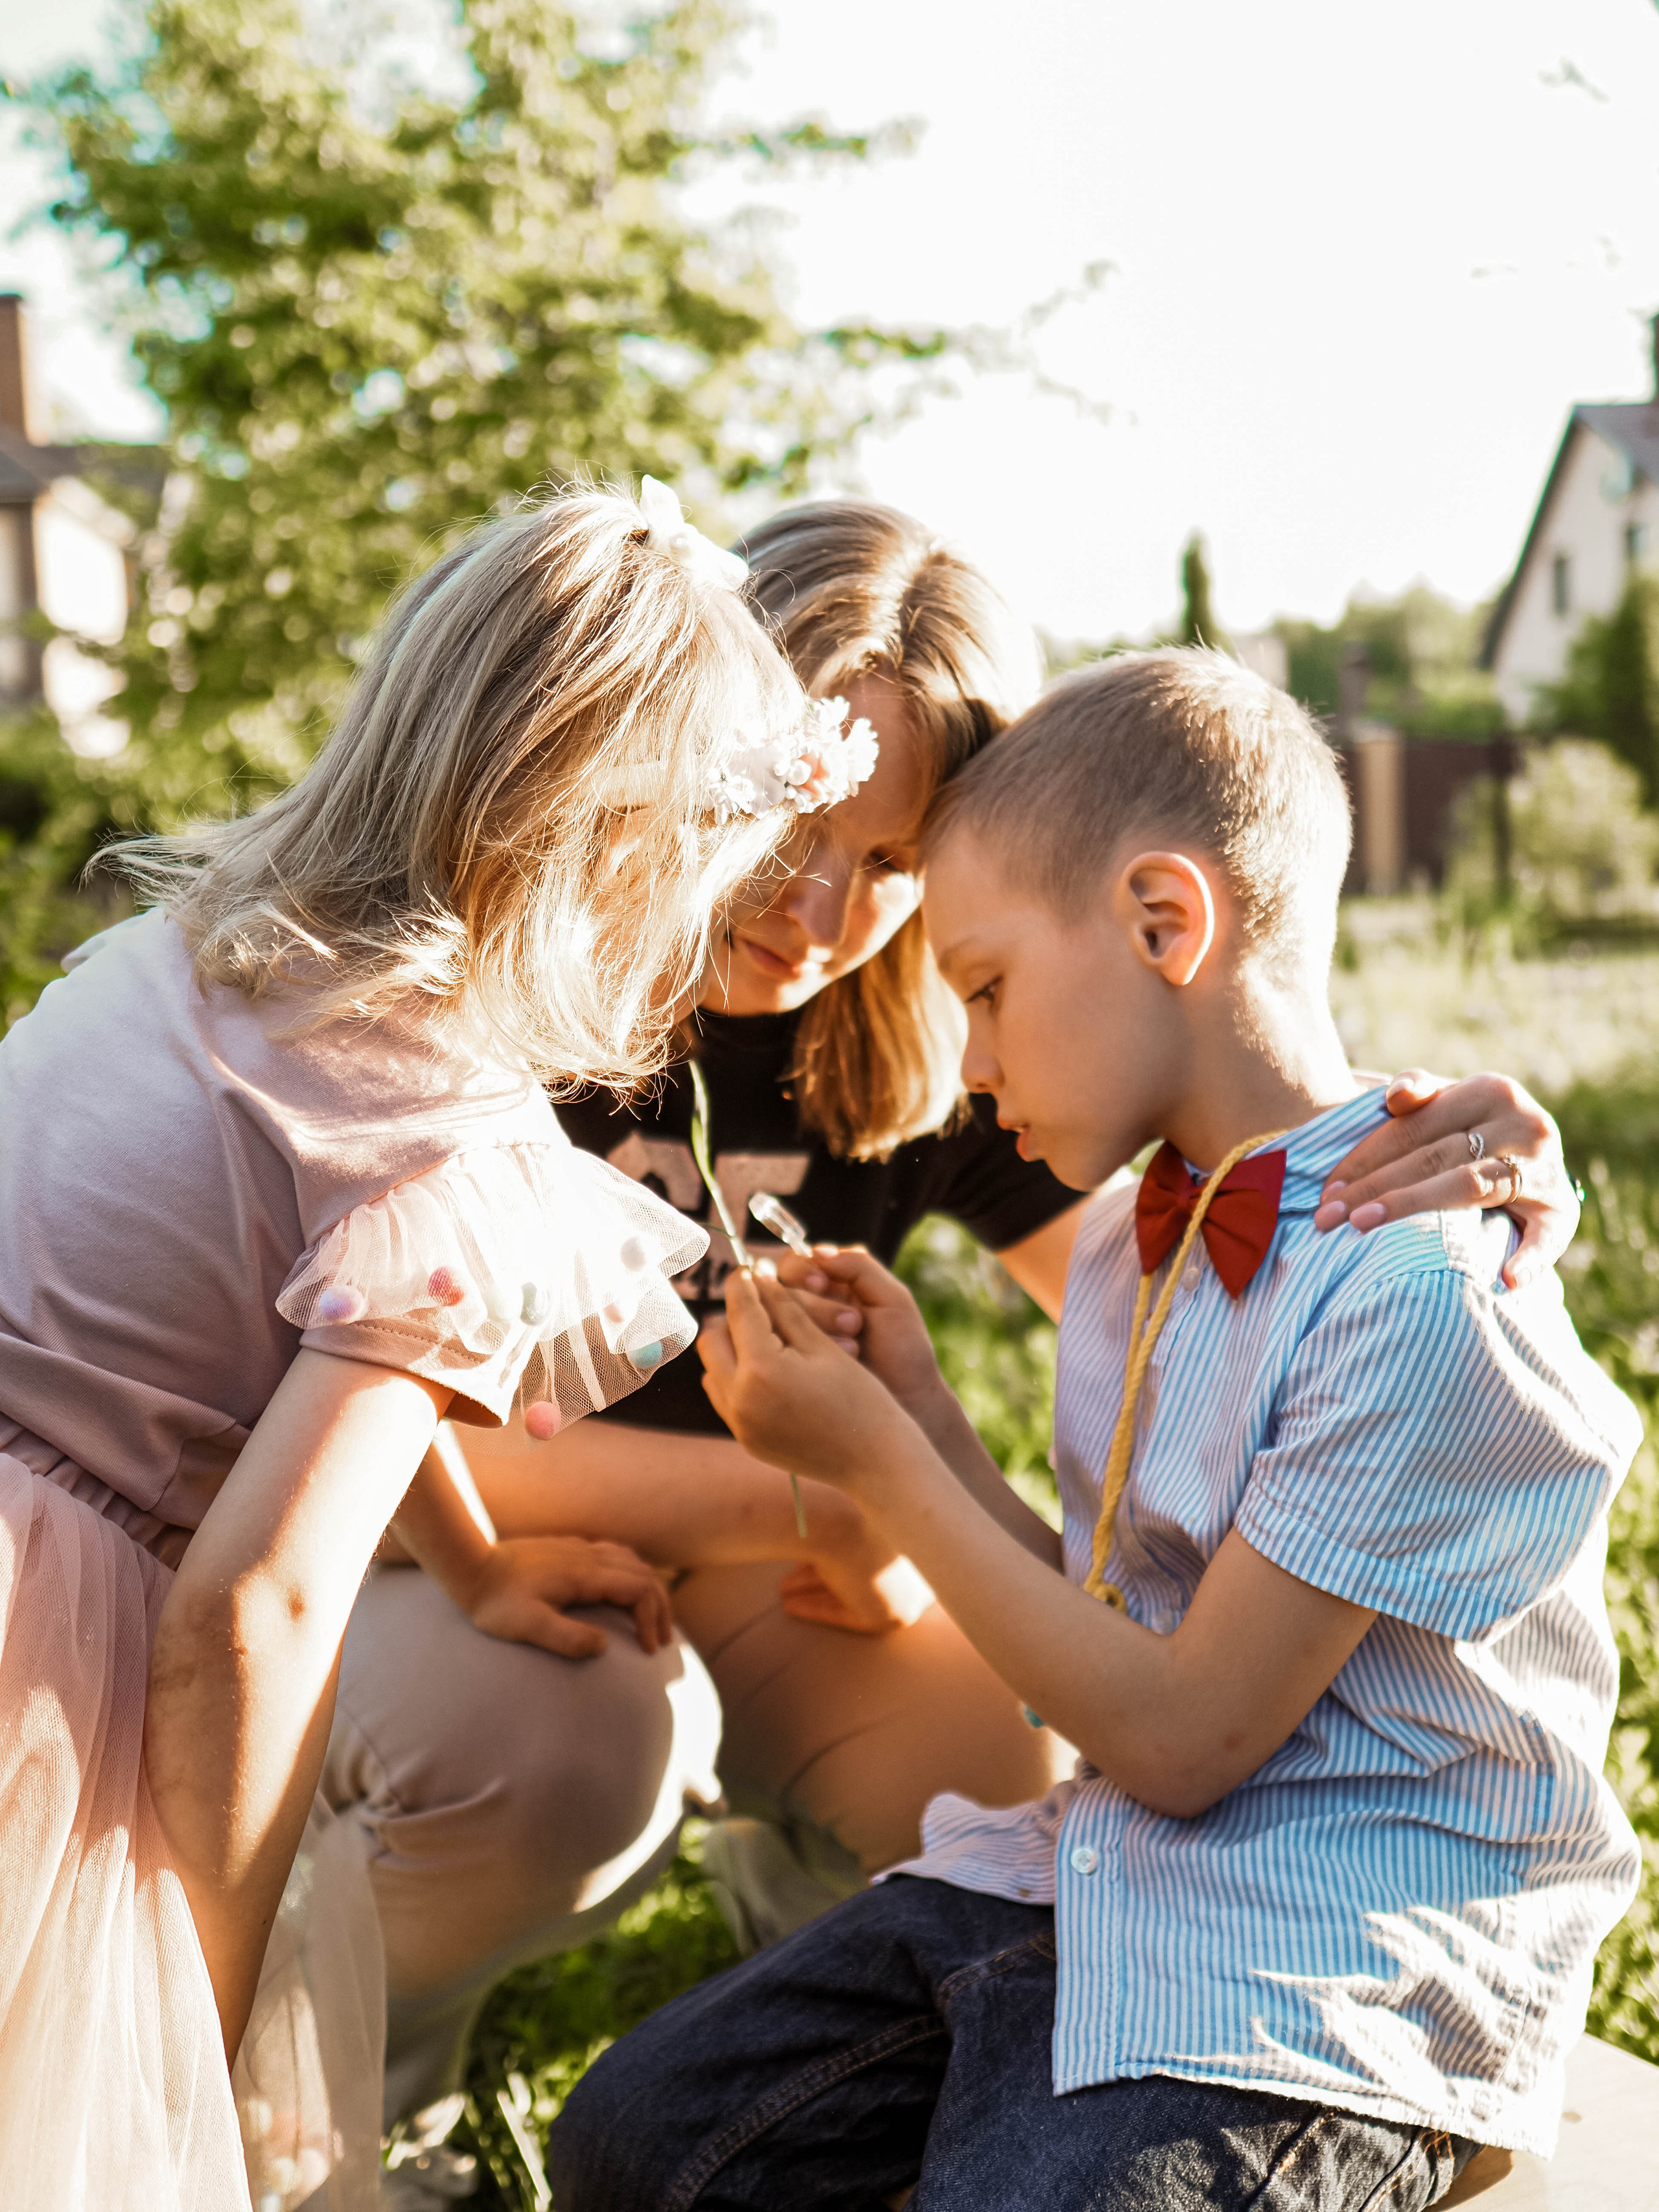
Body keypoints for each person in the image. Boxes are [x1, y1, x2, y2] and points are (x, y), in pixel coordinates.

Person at [346, 504, 1579, 2168]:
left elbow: (1260, 1266)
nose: (817, 905)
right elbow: (374, 1434)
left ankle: (811, 1971)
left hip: (1224, 1839)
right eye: (786, 820)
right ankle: (352, 2090)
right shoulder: (513, 984)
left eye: (895, 869)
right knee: (573, 1753)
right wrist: (840, 1491)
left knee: (983, 1761)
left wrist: (1464, 1162)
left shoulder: (951, 1046)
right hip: (450, 1549)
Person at [0, 478, 833, 2208]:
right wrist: (201, 2039)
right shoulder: (444, 1139)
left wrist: (471, 1565)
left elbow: (315, 1355)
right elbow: (254, 1608)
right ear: (619, 854)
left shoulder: (212, 958)